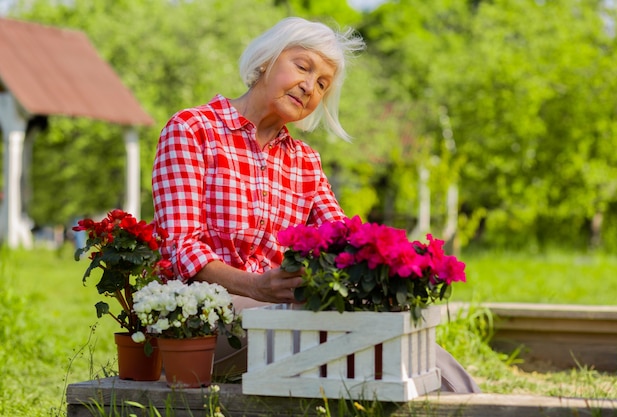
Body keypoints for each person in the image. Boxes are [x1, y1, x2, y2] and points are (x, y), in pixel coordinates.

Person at [152, 16, 480, 393]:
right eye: (302, 66)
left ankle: (468, 400)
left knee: (392, 329)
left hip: (280, 318)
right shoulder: (193, 130)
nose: (309, 86)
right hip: (199, 324)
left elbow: (347, 241)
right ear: (265, 61)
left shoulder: (304, 160)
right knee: (338, 327)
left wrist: (399, 272)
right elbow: (181, 248)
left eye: (322, 83)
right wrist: (257, 287)